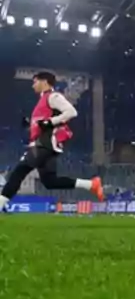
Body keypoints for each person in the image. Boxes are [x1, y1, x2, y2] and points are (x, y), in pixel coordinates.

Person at [0, 71, 105, 213]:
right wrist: (31, 124)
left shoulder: (53, 96)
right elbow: (43, 123)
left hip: (44, 144)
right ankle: (91, 184)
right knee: (49, 181)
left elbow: (71, 112)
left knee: (19, 171)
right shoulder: (44, 100)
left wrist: (50, 122)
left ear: (44, 82)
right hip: (46, 145)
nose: (33, 85)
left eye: (35, 82)